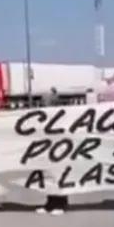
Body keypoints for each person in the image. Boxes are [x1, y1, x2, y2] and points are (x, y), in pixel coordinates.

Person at [37, 87, 70, 216]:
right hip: (47, 150)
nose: (43, 102)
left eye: (45, 100)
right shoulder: (42, 114)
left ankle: (61, 203)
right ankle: (50, 203)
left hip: (59, 149)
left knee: (58, 177)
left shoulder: (61, 114)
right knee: (48, 177)